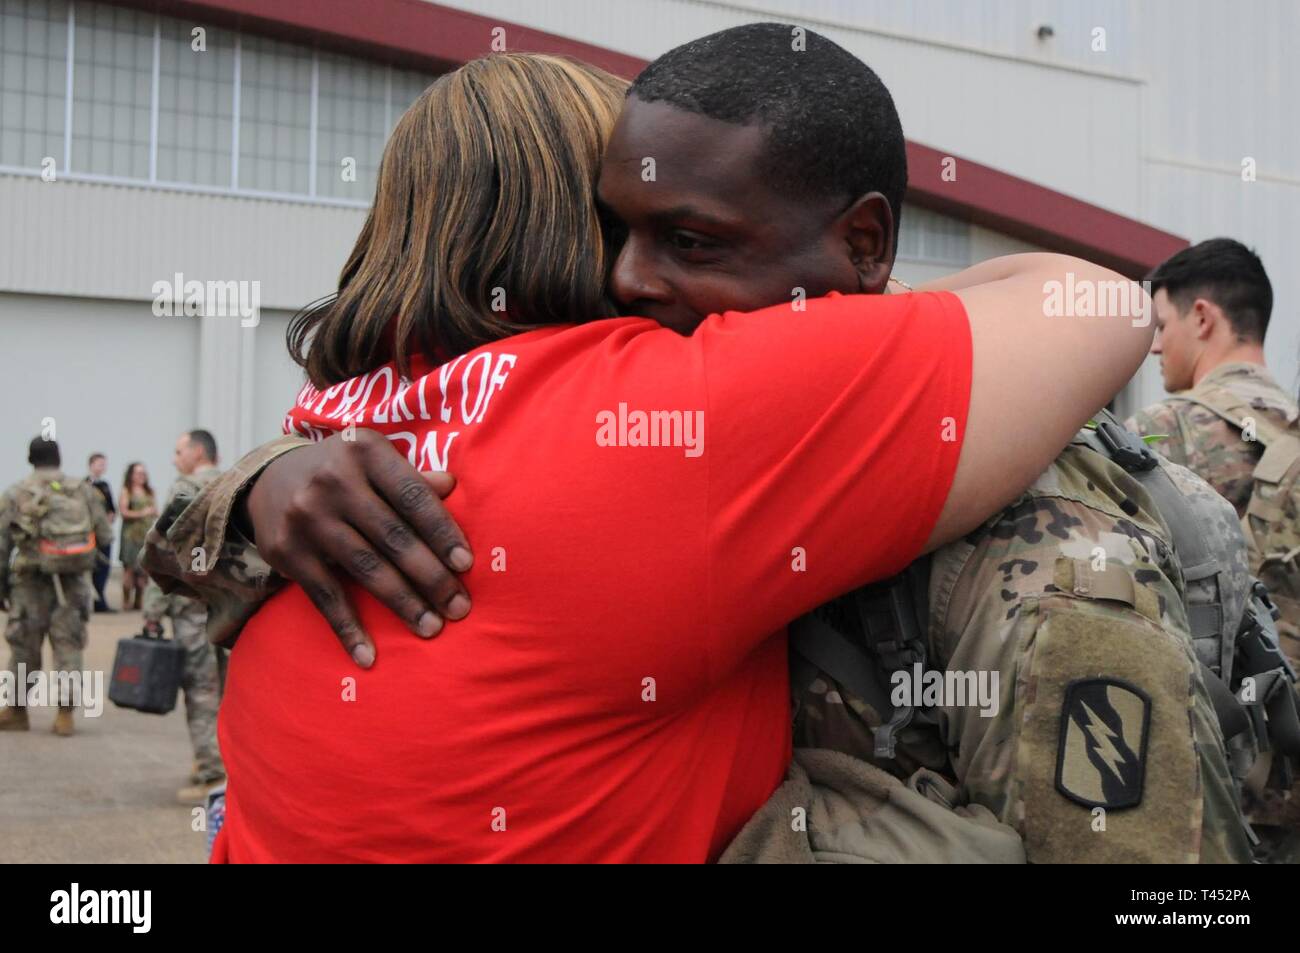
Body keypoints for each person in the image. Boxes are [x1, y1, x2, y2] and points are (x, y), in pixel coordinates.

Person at [146, 45, 1155, 863]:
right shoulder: (663, 411)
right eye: (621, 221)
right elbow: (1099, 302)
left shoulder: (326, 428)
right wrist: (848, 307)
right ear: (581, 217)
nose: (639, 276)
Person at [1128, 238, 1300, 862]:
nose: (1153, 345)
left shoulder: (1161, 432)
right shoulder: (1294, 429)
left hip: (1222, 787)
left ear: (1203, 318)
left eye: (1162, 324)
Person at [0, 438, 111, 735]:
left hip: (29, 583)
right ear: (59, 458)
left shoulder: (16, 493)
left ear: (30, 459)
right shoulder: (83, 490)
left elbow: (2, 545)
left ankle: (17, 711)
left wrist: (2, 589)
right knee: (68, 645)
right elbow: (105, 534)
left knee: (23, 646)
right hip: (72, 582)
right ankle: (65, 715)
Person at [141, 430, 227, 803]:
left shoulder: (185, 489)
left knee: (200, 691)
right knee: (226, 688)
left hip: (191, 609)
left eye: (178, 451)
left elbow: (161, 553)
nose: (175, 458)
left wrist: (152, 609)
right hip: (231, 608)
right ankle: (224, 760)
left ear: (197, 452)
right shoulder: (233, 484)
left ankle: (211, 774)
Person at [117, 462, 155, 611]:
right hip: (130, 536)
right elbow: (124, 512)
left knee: (143, 570)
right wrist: (142, 513)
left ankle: (138, 601)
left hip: (145, 534)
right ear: (131, 475)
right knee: (129, 570)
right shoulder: (127, 491)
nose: (141, 476)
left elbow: (154, 510)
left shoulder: (150, 491)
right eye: (138, 473)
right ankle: (126, 600)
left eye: (143, 473)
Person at [85, 452, 116, 612]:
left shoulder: (105, 485)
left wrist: (108, 522)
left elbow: (112, 509)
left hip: (103, 533)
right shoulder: (84, 485)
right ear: (91, 465)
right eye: (99, 464)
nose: (102, 467)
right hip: (88, 534)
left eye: (104, 464)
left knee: (103, 566)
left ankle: (100, 600)